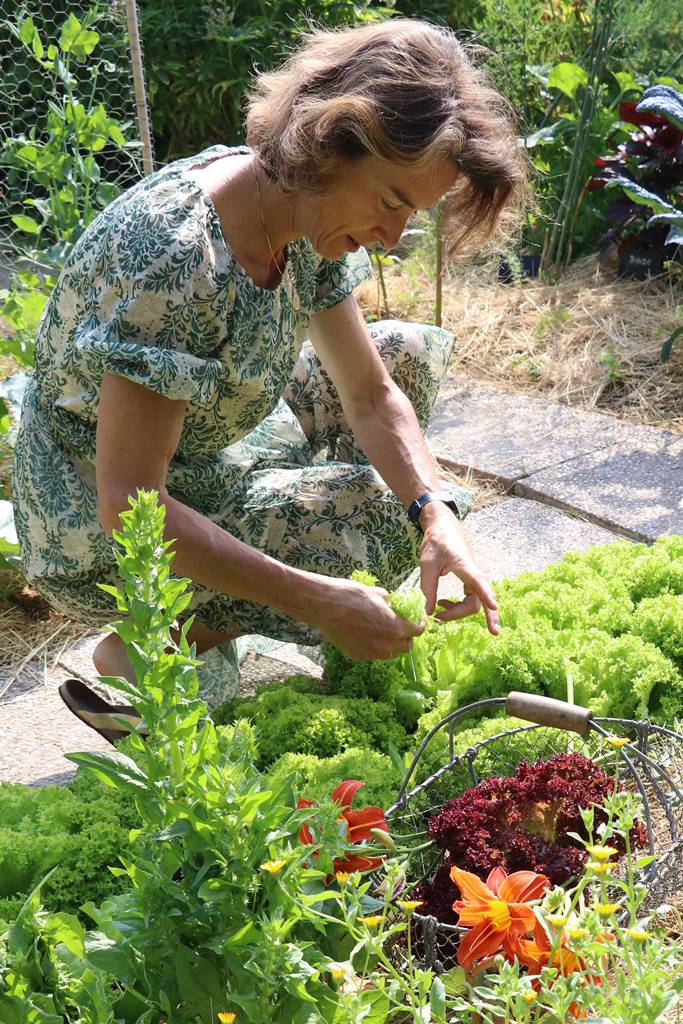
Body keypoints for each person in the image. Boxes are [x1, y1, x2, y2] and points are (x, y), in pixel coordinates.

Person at [12, 18, 529, 733]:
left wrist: (434, 513)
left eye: (411, 216)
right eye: (389, 203)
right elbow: (130, 501)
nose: (391, 239)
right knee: (371, 527)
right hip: (94, 515)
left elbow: (372, 396)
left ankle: (219, 609)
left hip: (205, 438)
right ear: (327, 146)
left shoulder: (298, 211)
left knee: (402, 358)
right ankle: (162, 642)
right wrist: (316, 599)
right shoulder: (175, 261)